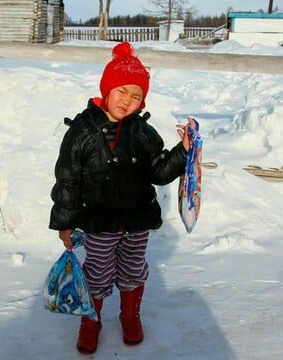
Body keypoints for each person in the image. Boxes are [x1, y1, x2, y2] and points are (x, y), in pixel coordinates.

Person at [49, 41, 196, 355]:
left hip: (137, 220)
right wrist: (65, 223)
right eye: (121, 92)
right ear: (106, 89)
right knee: (98, 274)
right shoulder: (81, 132)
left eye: (136, 96)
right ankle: (91, 321)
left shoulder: (143, 133)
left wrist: (182, 152)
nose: (127, 102)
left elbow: (158, 172)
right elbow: (67, 181)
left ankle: (130, 315)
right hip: (99, 222)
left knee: (132, 270)